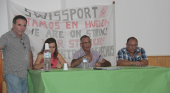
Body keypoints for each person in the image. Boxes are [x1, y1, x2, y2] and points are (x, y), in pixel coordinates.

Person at [0, 15, 33, 93]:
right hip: (12, 73)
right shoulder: (6, 37)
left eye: (24, 26)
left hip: (25, 73)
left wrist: (31, 67)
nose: (22, 28)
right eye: (19, 25)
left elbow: (29, 51)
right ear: (13, 24)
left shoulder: (26, 37)